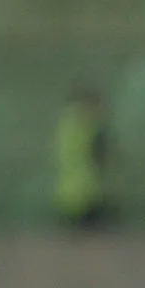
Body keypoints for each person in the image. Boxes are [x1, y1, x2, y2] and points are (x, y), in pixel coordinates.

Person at [54, 85, 110, 230]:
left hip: (67, 193)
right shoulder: (88, 125)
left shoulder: (66, 123)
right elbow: (98, 153)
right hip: (87, 193)